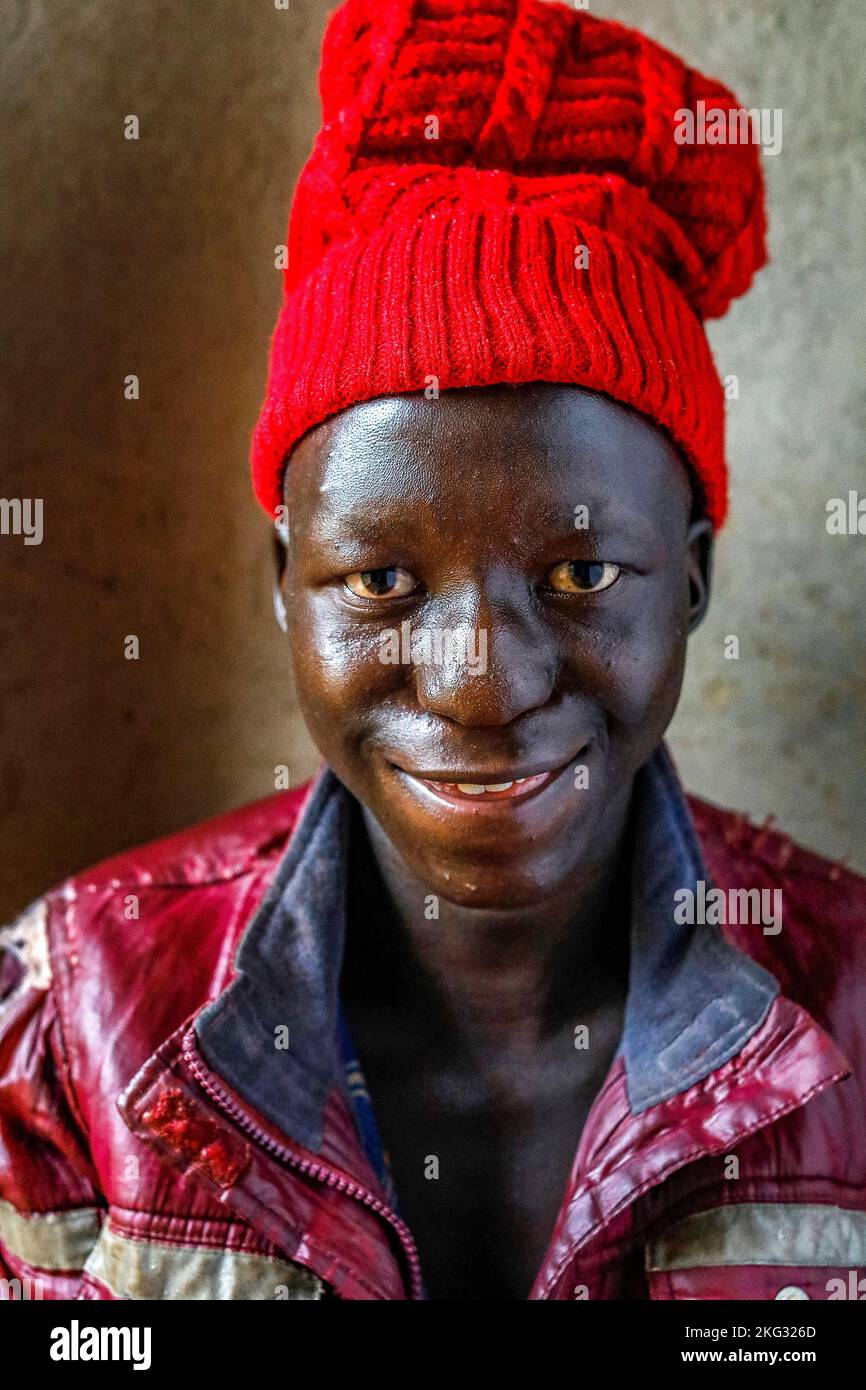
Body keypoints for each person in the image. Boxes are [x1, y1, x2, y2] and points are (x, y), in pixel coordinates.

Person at [1, 0, 864, 1302]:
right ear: (286, 585)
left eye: (579, 572)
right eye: (382, 578)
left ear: (687, 580)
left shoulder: (853, 1010)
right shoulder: (69, 1027)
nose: (478, 681)